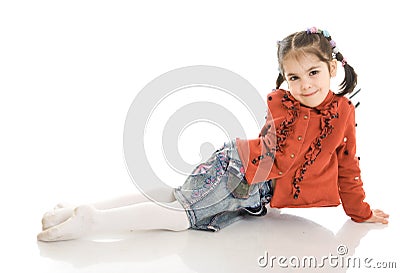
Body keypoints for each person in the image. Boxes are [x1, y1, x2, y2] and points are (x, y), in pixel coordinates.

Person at [37, 27, 389, 242]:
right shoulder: (283, 104)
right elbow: (284, 154)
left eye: (313, 72)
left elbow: (347, 166)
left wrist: (359, 211)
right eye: (294, 77)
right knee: (182, 218)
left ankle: (72, 210)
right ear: (285, 79)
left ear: (332, 68)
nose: (305, 84)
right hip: (241, 173)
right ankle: (94, 221)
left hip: (249, 178)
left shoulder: (343, 112)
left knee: (178, 197)